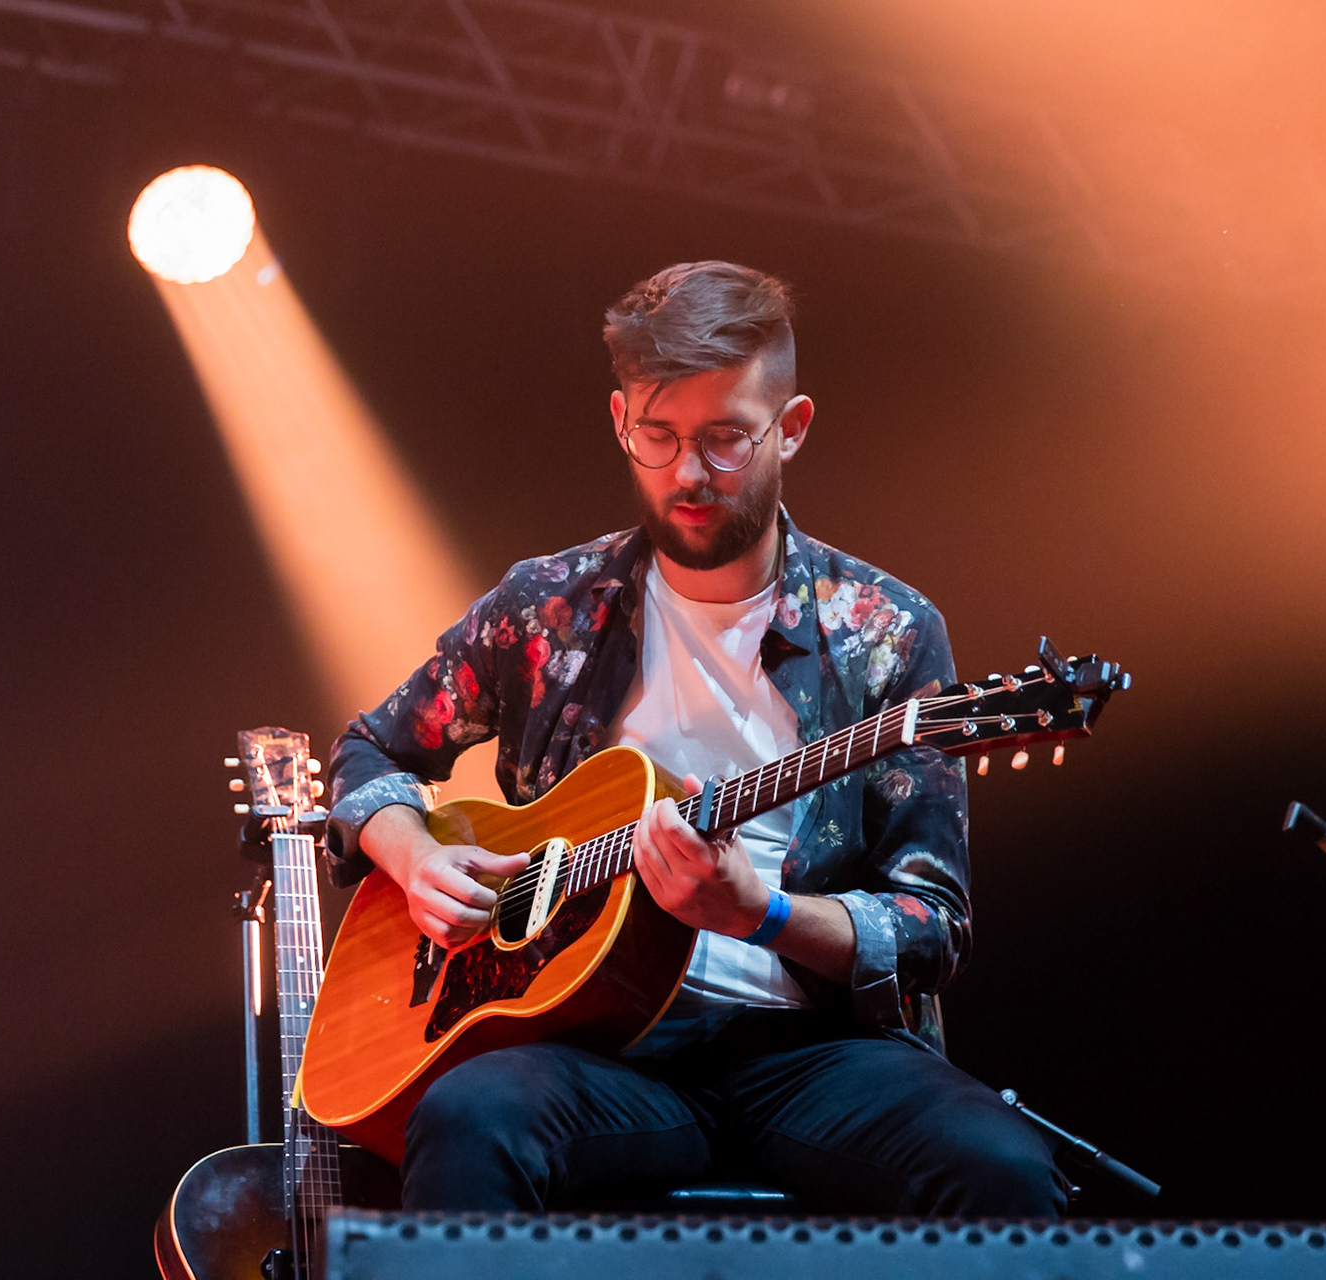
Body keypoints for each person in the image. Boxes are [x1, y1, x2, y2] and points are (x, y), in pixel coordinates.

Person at [322, 260, 1068, 1216]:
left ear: (790, 427)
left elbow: (930, 929)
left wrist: (761, 913)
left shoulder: (885, 630)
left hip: (810, 1053)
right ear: (619, 420)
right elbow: (369, 751)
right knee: (471, 1116)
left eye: (724, 438)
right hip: (596, 1050)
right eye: (658, 435)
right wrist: (416, 855)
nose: (687, 473)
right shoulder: (549, 607)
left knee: (1000, 1168)